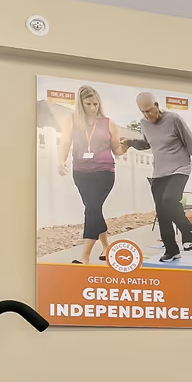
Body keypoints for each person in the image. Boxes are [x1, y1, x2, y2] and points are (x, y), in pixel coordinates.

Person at [124, 91, 192, 262]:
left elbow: (191, 143)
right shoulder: (144, 123)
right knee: (162, 212)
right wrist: (130, 142)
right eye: (143, 112)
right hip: (159, 173)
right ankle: (171, 250)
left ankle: (186, 230)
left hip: (180, 169)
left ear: (156, 106)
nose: (146, 115)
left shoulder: (174, 119)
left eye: (149, 110)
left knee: (169, 200)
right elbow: (148, 143)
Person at [55, 86, 126, 264]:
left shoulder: (108, 123)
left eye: (96, 104)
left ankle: (84, 258)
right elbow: (65, 142)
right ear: (81, 104)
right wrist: (61, 161)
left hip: (104, 172)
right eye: (88, 104)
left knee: (91, 209)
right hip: (81, 172)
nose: (93, 107)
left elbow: (117, 150)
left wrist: (128, 145)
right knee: (94, 209)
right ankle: (106, 247)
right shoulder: (72, 120)